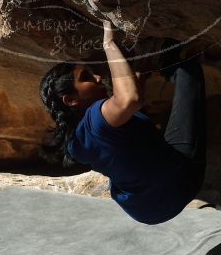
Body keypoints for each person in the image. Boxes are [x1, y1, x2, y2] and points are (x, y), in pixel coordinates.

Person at [40, 21, 206, 225]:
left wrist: (139, 76)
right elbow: (130, 99)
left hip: (144, 211)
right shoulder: (95, 117)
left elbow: (130, 120)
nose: (99, 77)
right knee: (189, 73)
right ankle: (169, 56)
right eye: (86, 77)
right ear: (71, 100)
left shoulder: (75, 142)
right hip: (178, 187)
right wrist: (109, 43)